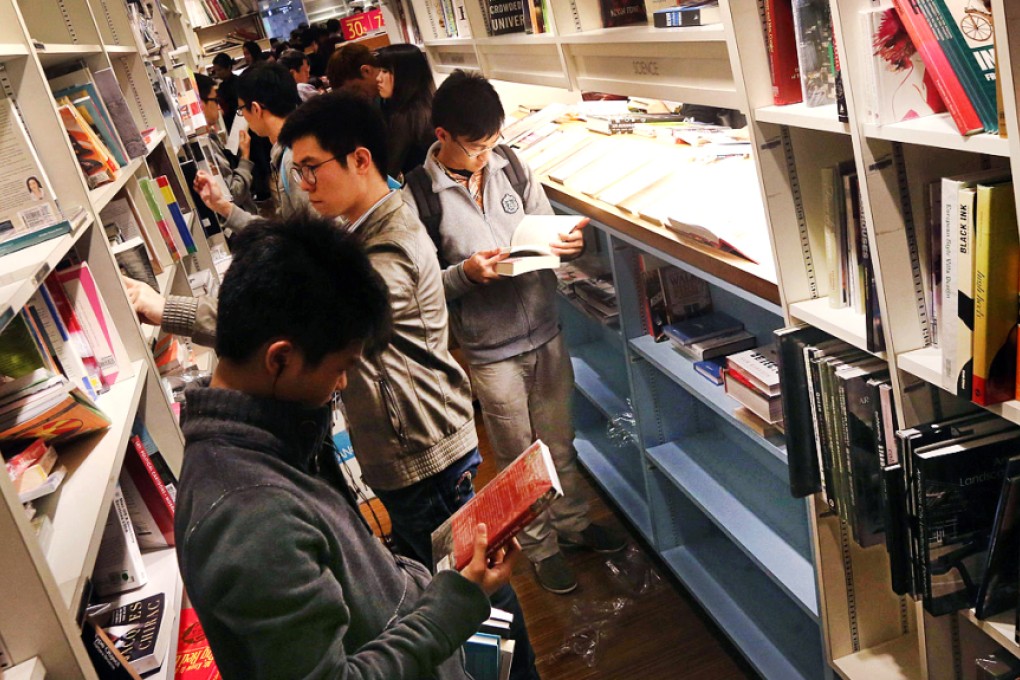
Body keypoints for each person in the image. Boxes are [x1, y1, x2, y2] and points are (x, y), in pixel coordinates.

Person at [175, 212, 519, 679]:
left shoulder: (271, 444)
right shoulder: (252, 520)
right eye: (340, 368)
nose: (341, 385)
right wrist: (451, 606)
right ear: (280, 359)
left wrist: (427, 583)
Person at [279, 91, 540, 680]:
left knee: (477, 592)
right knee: (461, 586)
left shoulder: (388, 240)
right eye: (299, 172)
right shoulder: (363, 228)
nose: (306, 185)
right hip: (415, 445)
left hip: (425, 452)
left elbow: (326, 327)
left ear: (360, 159)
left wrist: (174, 312)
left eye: (313, 168)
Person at [404, 70, 626, 595]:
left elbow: (547, 225)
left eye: (492, 142)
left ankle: (573, 526)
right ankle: (542, 549)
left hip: (545, 331)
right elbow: (424, 287)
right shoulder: (419, 196)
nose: (486, 155)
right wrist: (467, 273)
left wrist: (564, 244)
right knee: (519, 460)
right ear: (443, 135)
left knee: (560, 443)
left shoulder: (513, 165)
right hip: (490, 350)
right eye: (476, 146)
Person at [193, 62, 308, 238]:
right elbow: (288, 233)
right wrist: (222, 206)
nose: (243, 116)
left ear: (255, 109)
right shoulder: (294, 147)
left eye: (241, 109)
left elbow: (314, 235)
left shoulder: (293, 157)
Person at [194, 73, 257, 215]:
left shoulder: (209, 137)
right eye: (215, 100)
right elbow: (234, 194)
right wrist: (245, 156)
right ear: (200, 103)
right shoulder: (203, 144)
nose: (219, 108)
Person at [375, 44, 435, 179]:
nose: (378, 78)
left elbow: (389, 172)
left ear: (405, 75)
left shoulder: (406, 117)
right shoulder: (426, 104)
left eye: (385, 71)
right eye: (379, 71)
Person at [211, 52, 239, 132]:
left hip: (236, 121)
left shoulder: (238, 82)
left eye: (219, 70)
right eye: (216, 70)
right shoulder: (222, 86)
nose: (217, 73)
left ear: (228, 67)